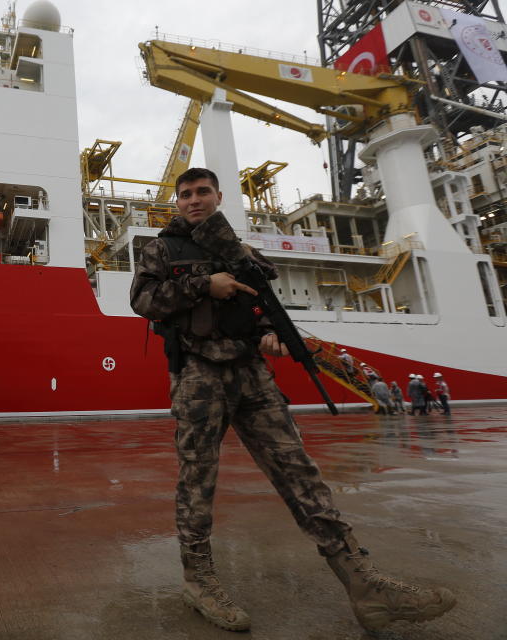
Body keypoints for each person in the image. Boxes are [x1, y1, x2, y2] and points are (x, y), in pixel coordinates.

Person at [130, 167, 455, 633]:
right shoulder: (161, 248)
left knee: (300, 473)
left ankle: (365, 586)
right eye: (186, 194)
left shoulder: (240, 251)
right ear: (177, 202)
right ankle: (198, 581)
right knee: (197, 480)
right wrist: (204, 284)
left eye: (203, 192)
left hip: (251, 373)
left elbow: (260, 304)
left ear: (219, 196)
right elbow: (142, 300)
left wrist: (268, 336)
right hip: (198, 375)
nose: (194, 200)